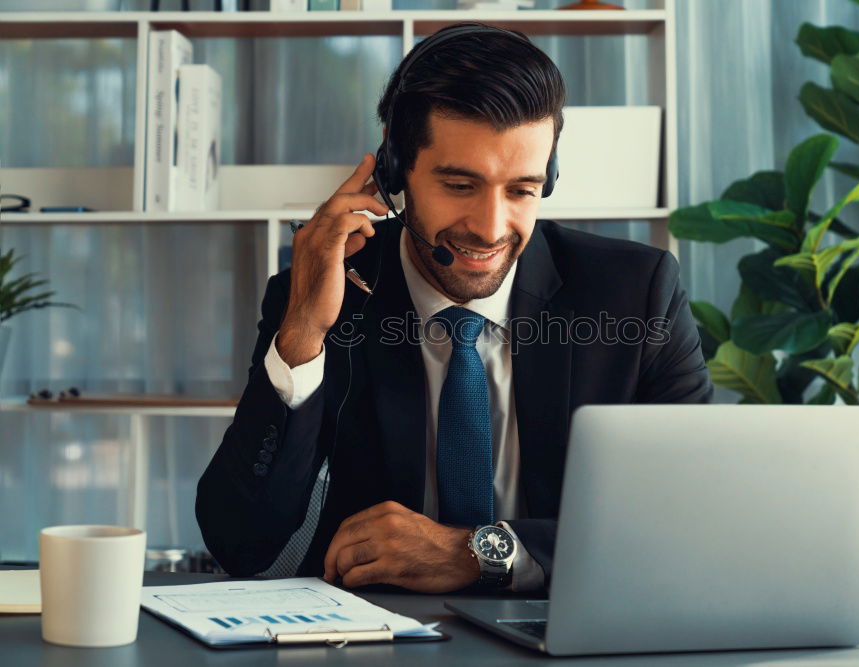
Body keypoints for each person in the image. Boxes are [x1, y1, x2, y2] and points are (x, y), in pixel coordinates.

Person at [196, 22, 713, 594]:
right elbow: (239, 540)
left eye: (521, 190)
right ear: (396, 172)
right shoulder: (326, 294)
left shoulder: (635, 293)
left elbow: (693, 521)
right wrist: (302, 335)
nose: (490, 229)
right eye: (460, 185)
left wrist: (477, 555)